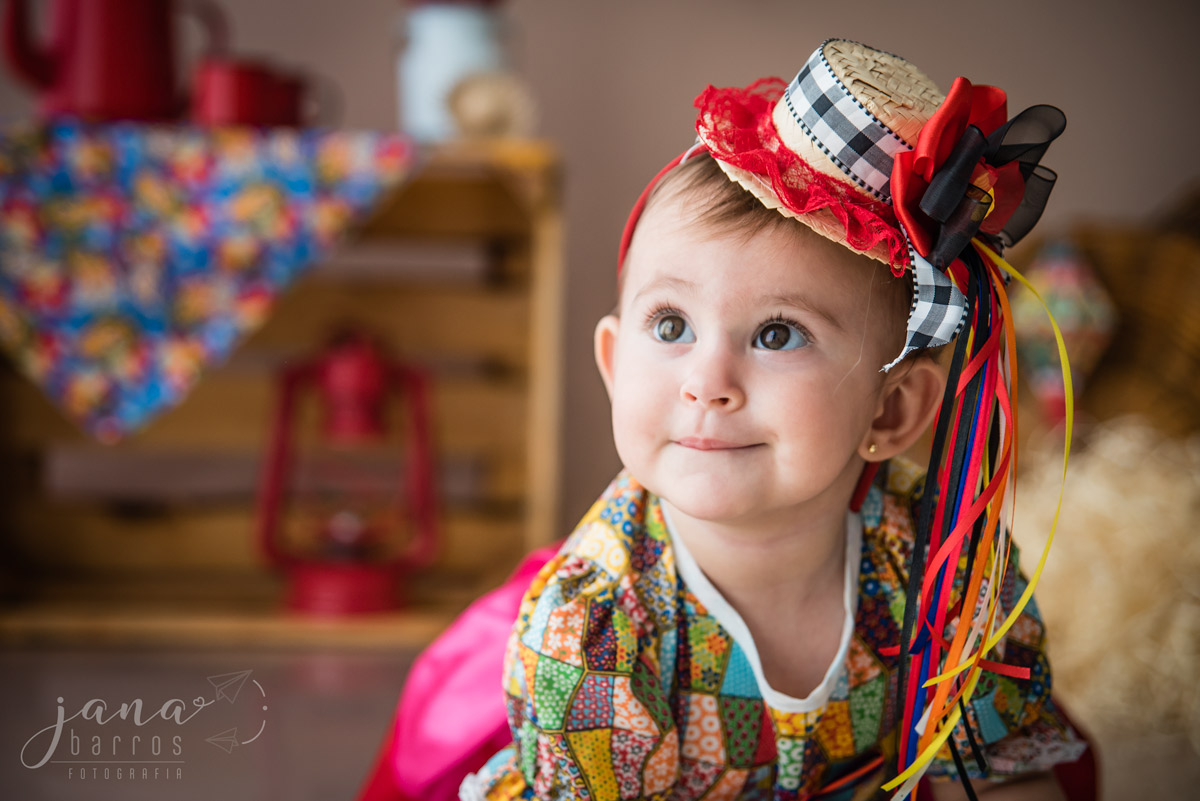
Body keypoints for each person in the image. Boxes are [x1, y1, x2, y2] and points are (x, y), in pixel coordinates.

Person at [460, 39, 1086, 800]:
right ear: (614, 362)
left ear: (890, 411)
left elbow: (996, 779)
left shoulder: (944, 571)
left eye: (777, 334)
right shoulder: (593, 630)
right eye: (670, 326)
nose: (707, 383)